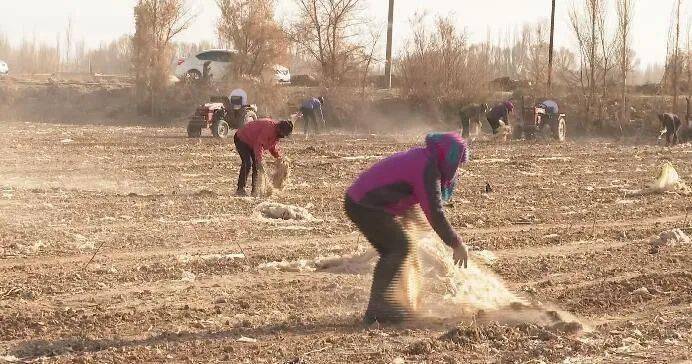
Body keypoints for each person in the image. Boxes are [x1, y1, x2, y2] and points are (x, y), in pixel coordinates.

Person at [344, 132, 469, 325]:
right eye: (458, 163)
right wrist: (456, 243)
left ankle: (380, 305)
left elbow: (404, 188)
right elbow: (435, 212)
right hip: (366, 205)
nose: (457, 169)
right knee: (399, 247)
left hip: (360, 201)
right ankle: (378, 307)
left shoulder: (424, 157)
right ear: (449, 157)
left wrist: (412, 216)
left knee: (393, 249)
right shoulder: (429, 168)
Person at [234, 118, 293, 196]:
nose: (284, 136)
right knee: (248, 162)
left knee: (256, 166)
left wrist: (279, 157)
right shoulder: (269, 128)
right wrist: (260, 160)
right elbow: (259, 145)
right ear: (280, 129)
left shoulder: (276, 135)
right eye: (284, 134)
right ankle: (240, 189)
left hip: (252, 143)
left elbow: (272, 147)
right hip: (242, 139)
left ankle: (255, 190)